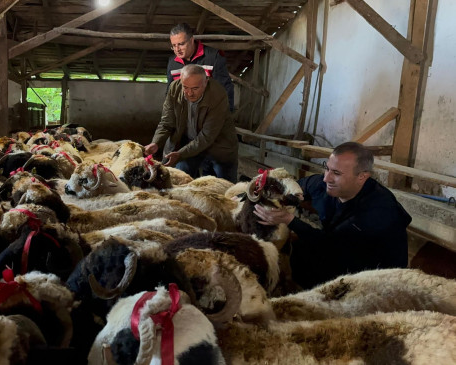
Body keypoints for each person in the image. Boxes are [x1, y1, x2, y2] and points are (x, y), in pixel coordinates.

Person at [253, 142, 412, 289]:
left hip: (374, 275)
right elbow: (297, 187)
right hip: (340, 248)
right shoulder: (326, 185)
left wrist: (289, 220)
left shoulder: (378, 211)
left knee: (308, 253)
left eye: (336, 173)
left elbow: (332, 245)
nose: (326, 177)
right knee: (300, 251)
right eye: (327, 168)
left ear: (362, 176)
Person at [144, 64, 239, 183]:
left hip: (219, 147)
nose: (189, 93)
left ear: (205, 82)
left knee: (225, 187)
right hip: (188, 145)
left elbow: (207, 136)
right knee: (180, 182)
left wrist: (180, 154)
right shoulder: (175, 88)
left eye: (195, 88)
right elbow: (167, 122)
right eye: (185, 87)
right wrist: (156, 143)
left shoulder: (217, 94)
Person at [167, 23, 234, 112]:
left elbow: (225, 88)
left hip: (209, 113)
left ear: (191, 40)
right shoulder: (172, 63)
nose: (177, 49)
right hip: (183, 115)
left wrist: (225, 116)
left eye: (181, 44)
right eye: (174, 46)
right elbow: (170, 93)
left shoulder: (213, 57)